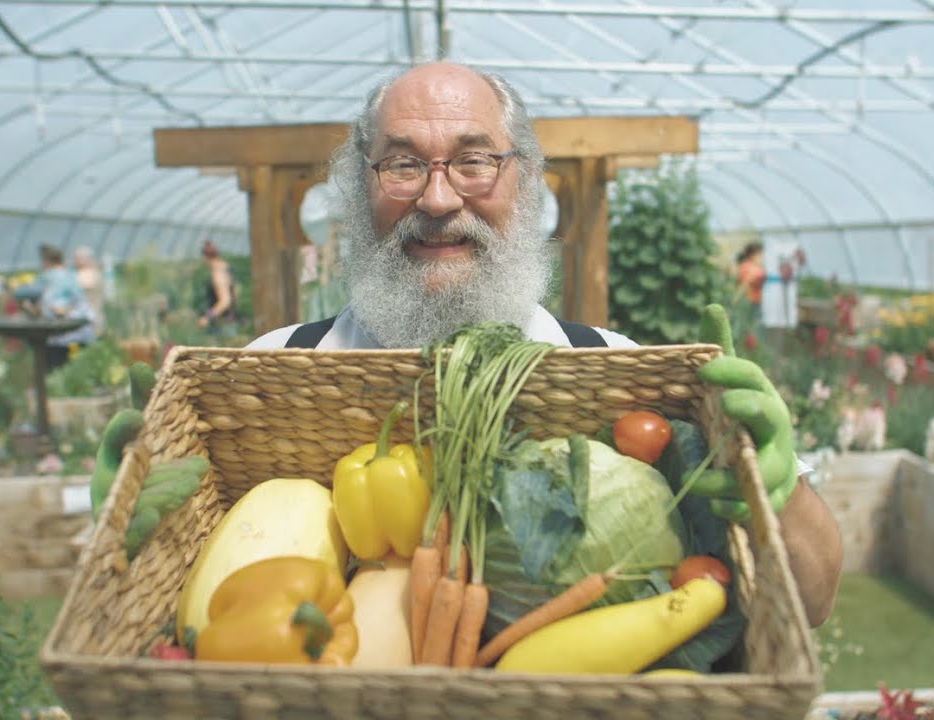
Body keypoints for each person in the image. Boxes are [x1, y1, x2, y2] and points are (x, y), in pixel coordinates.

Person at [247, 61, 842, 626]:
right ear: (357, 190)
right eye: (401, 165)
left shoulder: (615, 366)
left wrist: (778, 493)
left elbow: (811, 603)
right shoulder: (266, 372)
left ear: (526, 182)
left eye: (473, 161)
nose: (437, 199)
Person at [29, 243, 96, 371]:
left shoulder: (49, 277)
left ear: (46, 261)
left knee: (56, 370)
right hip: (82, 332)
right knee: (78, 370)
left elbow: (57, 309)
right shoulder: (71, 275)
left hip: (62, 336)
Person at [197, 241, 237, 333]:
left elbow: (225, 300)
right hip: (228, 321)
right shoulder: (226, 268)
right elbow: (235, 293)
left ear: (205, 257)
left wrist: (207, 317)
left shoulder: (217, 273)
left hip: (221, 324)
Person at [73, 245, 106, 337]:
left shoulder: (87, 274)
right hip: (95, 317)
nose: (75, 262)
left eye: (76, 259)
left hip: (87, 320)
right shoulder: (96, 272)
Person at [735, 241, 766, 331]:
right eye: (760, 254)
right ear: (754, 254)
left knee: (751, 329)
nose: (762, 256)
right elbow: (744, 285)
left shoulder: (748, 266)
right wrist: (736, 299)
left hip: (754, 301)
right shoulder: (751, 268)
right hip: (750, 303)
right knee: (751, 330)